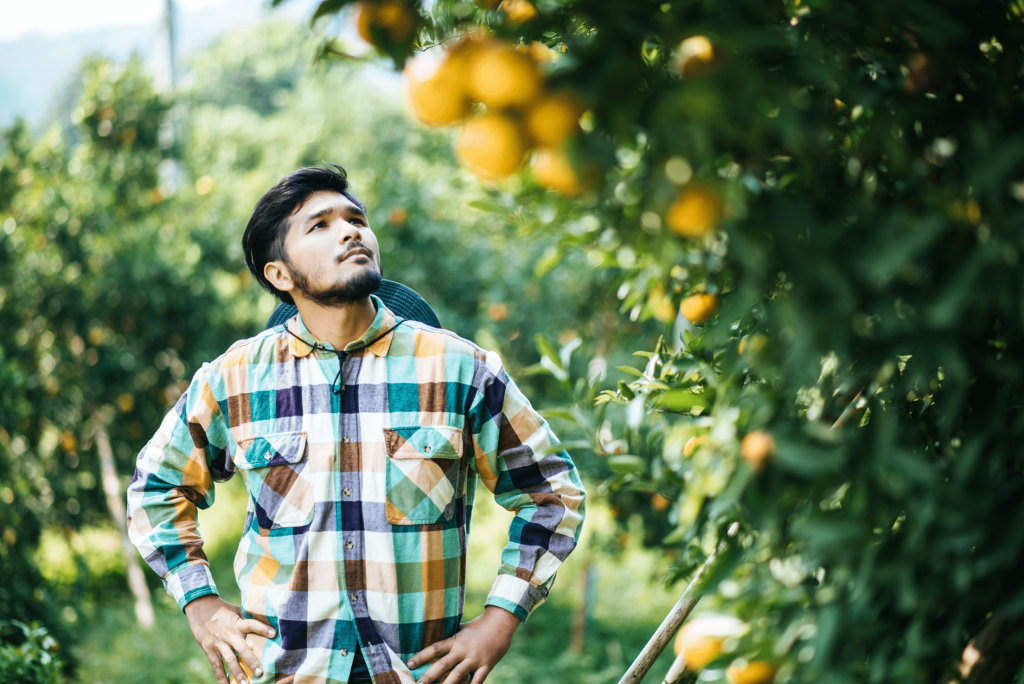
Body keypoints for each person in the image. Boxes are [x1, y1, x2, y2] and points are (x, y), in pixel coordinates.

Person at [127, 165, 586, 684]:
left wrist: (502, 617)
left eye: (357, 219)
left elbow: (554, 494)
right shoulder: (234, 380)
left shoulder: (461, 369)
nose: (350, 231)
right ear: (280, 275)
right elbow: (156, 488)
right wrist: (200, 603)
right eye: (320, 225)